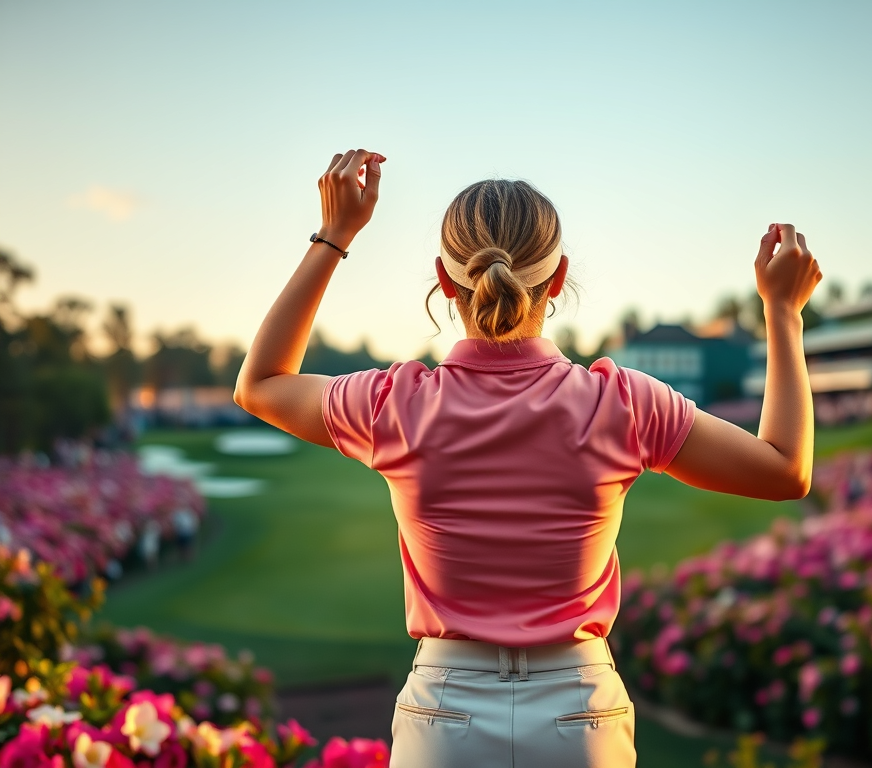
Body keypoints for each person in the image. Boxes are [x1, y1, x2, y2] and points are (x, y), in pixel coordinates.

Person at [233, 149, 821, 768]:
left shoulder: (395, 405)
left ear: (443, 276)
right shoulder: (621, 402)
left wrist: (336, 234)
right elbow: (785, 469)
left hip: (444, 716)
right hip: (580, 714)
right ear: (560, 277)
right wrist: (783, 313)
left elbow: (260, 384)